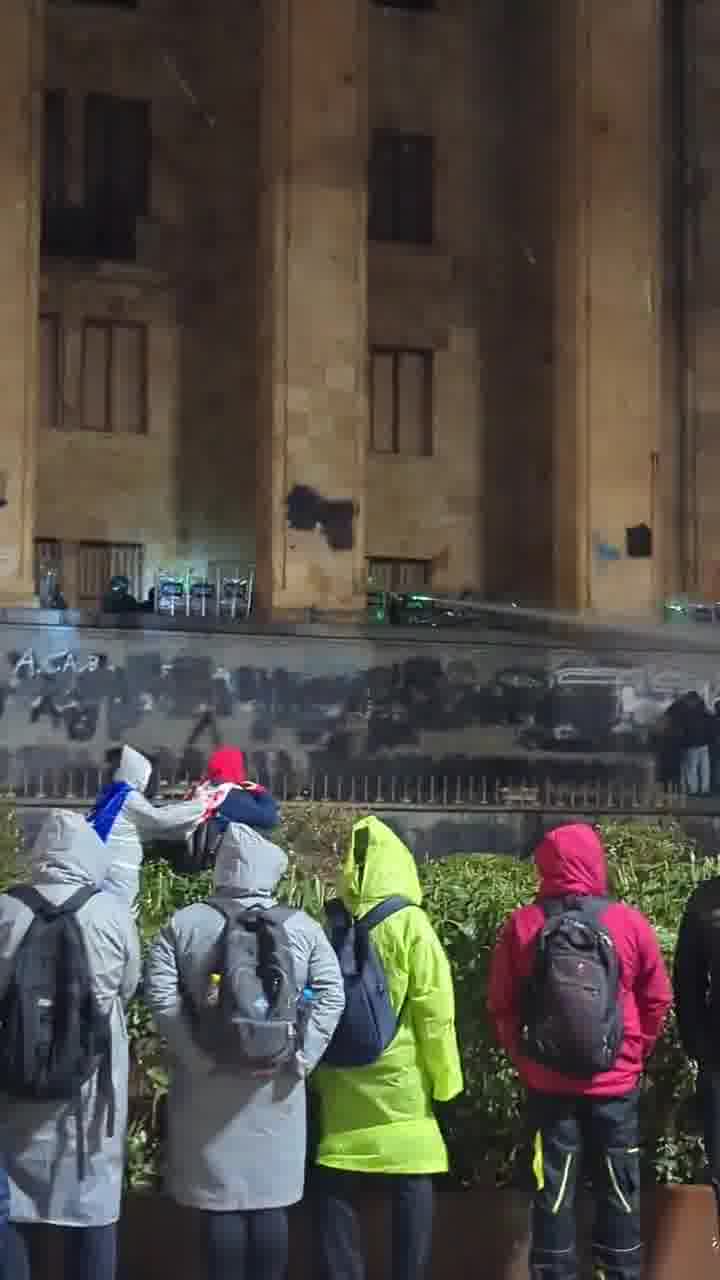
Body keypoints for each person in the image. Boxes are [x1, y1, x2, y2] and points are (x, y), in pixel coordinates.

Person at [144, 823, 345, 1280]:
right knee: (270, 1202)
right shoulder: (300, 927)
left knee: (221, 1205)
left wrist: (195, 1058)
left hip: (207, 1089)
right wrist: (301, 1059)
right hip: (277, 1087)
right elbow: (332, 994)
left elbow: (160, 996)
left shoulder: (185, 923)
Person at [488, 822, 672, 1280]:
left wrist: (527, 1059)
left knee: (554, 1189)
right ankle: (621, 1271)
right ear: (596, 861)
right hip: (616, 1085)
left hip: (548, 1086)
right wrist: (633, 1054)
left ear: (545, 864)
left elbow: (502, 1004)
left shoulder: (524, 924)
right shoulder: (628, 922)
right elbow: (658, 998)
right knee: (620, 1187)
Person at [310, 816, 463, 1280]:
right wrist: (446, 1082)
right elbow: (435, 1011)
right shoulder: (411, 924)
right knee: (412, 1180)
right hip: (403, 1083)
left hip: (342, 1079)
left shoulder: (335, 922)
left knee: (335, 1177)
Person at [0, 810, 140, 1280]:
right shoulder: (110, 913)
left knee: (15, 1203)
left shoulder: (6, 909)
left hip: (13, 1076)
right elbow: (128, 986)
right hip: (91, 1091)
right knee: (92, 1207)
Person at [87, 744, 206, 910]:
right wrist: (199, 805)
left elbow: (141, 827)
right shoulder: (128, 797)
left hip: (108, 866)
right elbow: (160, 819)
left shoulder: (112, 796)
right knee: (122, 915)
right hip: (119, 870)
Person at [673, 872, 720, 1204]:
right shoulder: (707, 901)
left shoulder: (708, 898)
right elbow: (688, 981)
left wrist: (698, 1044)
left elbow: (687, 982)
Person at [184, 746, 280, 872]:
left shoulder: (198, 792)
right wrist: (262, 793)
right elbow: (270, 820)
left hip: (192, 860)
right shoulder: (234, 796)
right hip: (226, 869)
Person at [666, 690, 714, 796]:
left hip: (691, 743)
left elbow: (670, 713)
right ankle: (705, 789)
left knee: (691, 768)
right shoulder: (705, 711)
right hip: (704, 744)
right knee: (705, 768)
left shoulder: (687, 712)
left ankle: (693, 789)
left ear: (691, 700)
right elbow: (710, 726)